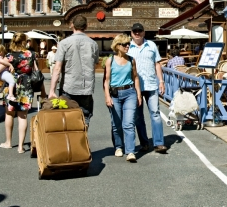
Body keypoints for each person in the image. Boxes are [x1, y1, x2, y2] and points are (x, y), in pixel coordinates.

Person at [49, 15, 100, 127]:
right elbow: (95, 63)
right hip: (86, 88)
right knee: (84, 119)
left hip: (69, 86)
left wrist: (52, 90)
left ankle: (69, 143)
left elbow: (57, 68)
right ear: (86, 26)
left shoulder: (64, 43)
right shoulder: (93, 44)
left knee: (66, 119)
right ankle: (82, 143)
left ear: (72, 25)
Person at [128, 23, 167, 153]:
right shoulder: (128, 47)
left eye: (140, 31)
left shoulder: (151, 45)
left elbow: (157, 64)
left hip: (151, 84)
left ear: (144, 32)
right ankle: (144, 143)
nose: (137, 33)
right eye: (135, 31)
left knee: (155, 114)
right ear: (131, 33)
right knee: (138, 116)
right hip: (135, 87)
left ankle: (159, 143)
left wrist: (161, 81)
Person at [104, 34, 142, 162]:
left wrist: (138, 94)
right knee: (116, 124)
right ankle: (119, 146)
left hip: (129, 92)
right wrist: (107, 96)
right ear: (117, 46)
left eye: (128, 44)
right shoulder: (110, 60)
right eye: (125, 44)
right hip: (115, 94)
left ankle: (130, 151)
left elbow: (135, 77)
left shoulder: (131, 60)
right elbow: (106, 80)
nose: (127, 46)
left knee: (129, 123)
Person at [0, 33, 36, 153]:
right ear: (25, 42)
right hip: (26, 86)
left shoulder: (9, 56)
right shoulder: (30, 54)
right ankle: (20, 147)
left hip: (12, 86)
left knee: (9, 114)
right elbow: (36, 71)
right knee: (22, 116)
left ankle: (8, 142)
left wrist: (3, 76)